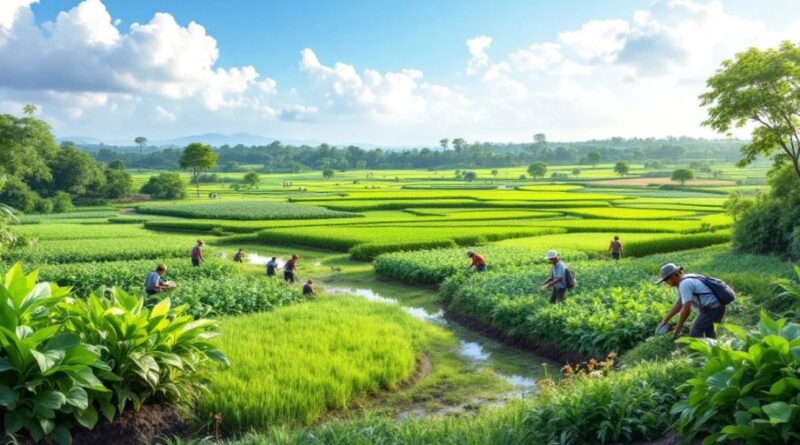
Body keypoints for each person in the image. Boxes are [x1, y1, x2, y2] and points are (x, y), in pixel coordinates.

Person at [655, 263, 725, 339]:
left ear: (675, 275)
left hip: (713, 308)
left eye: (666, 280)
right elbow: (678, 305)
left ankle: (700, 350)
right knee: (708, 330)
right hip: (713, 307)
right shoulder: (686, 279)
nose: (667, 283)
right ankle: (712, 348)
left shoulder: (685, 284)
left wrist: (677, 329)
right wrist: (664, 321)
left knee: (695, 331)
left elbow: (686, 310)